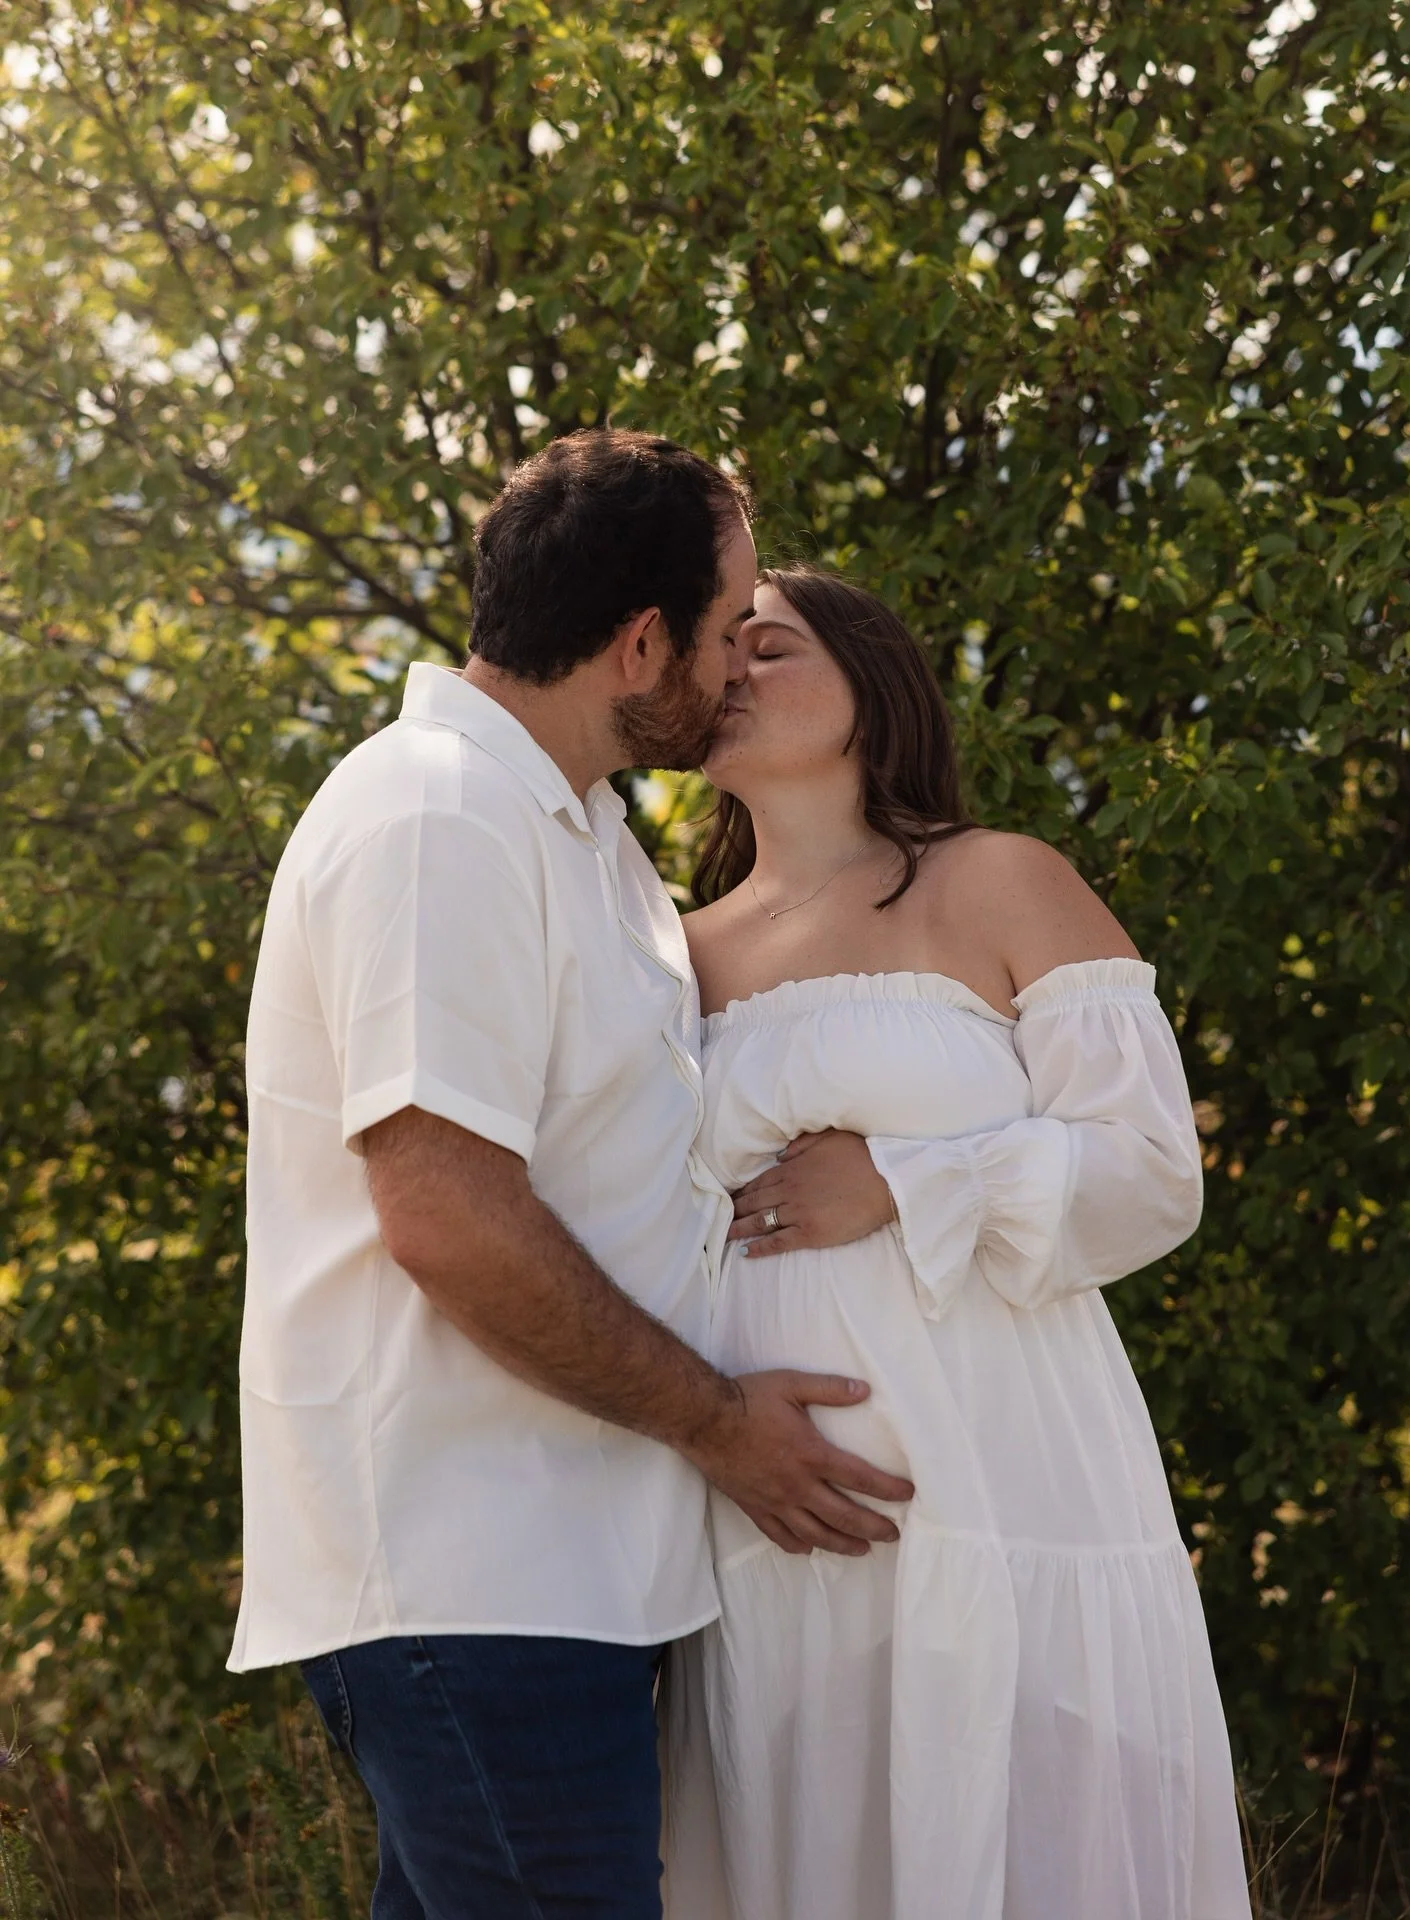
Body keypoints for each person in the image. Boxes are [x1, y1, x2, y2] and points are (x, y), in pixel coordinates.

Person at [227, 437, 913, 1919]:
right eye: (731, 631)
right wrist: (724, 1426)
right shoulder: (438, 817)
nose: (743, 666)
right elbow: (448, 1219)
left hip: (574, 1569)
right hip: (473, 1572)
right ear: (642, 642)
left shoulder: (585, 838)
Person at [662, 566, 1252, 1920]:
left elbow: (1153, 1168)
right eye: (719, 652)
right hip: (775, 1527)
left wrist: (909, 1182)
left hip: (1007, 1484)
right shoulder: (667, 952)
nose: (736, 671)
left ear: (875, 686)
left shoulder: (996, 880)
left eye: (772, 646)